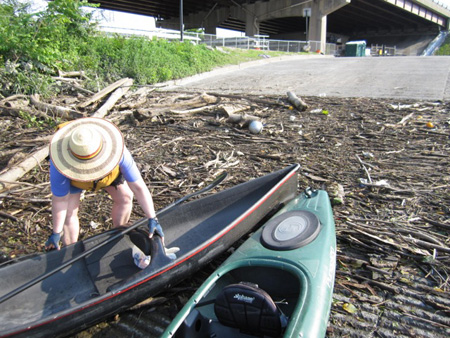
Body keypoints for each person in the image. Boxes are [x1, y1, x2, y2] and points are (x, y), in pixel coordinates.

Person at [45, 117, 163, 250]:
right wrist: (56, 232)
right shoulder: (59, 165)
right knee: (69, 213)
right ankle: (70, 249)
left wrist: (153, 218)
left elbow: (138, 187)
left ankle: (119, 234)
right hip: (75, 179)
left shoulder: (119, 152)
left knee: (125, 198)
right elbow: (60, 201)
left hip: (108, 175)